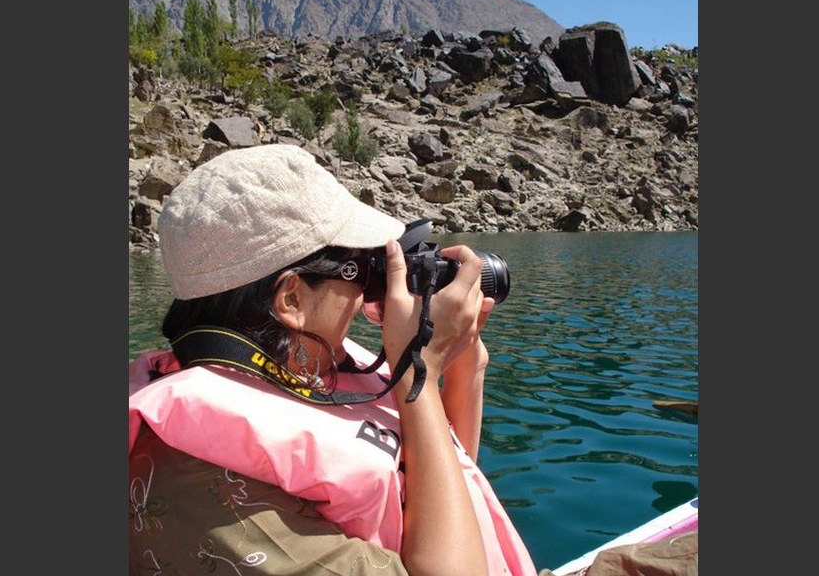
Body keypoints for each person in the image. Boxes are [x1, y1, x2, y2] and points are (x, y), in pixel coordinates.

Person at [128, 143, 545, 576]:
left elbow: (445, 486)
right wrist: (419, 373)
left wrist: (463, 365)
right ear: (291, 298)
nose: (371, 288)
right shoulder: (200, 478)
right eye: (361, 266)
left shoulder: (312, 365)